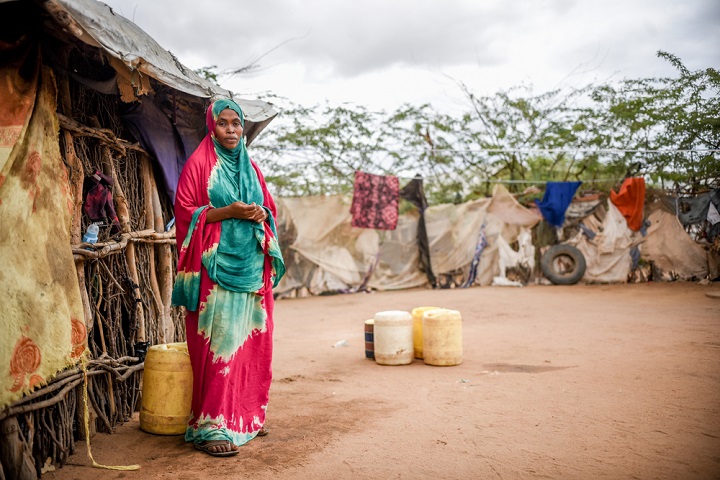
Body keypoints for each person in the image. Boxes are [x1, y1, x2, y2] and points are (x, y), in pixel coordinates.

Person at [171, 98, 285, 457]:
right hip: (216, 267)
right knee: (218, 343)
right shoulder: (199, 164)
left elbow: (269, 208)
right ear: (212, 126)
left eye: (237, 123)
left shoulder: (251, 167)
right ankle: (211, 424)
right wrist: (227, 212)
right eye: (224, 123)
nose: (233, 130)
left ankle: (242, 416)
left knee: (249, 343)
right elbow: (186, 213)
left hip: (251, 267)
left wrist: (258, 212)